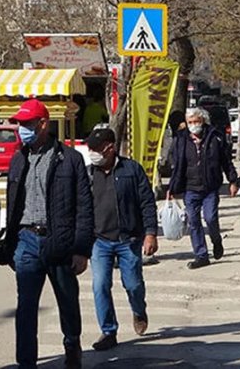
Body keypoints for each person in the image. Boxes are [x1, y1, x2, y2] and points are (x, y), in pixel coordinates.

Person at [2, 99, 93, 369]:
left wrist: (81, 248)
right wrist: (10, 245)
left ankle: (72, 344)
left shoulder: (70, 159)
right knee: (26, 307)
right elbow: (12, 201)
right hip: (26, 240)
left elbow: (84, 206)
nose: (22, 129)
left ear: (43, 124)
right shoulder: (19, 159)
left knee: (67, 301)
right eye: (19, 124)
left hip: (60, 241)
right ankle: (26, 362)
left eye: (27, 124)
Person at [84, 128, 159, 351]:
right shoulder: (88, 174)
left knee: (133, 284)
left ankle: (139, 310)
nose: (93, 154)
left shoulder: (131, 169)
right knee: (100, 285)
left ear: (110, 147)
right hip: (99, 241)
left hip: (129, 239)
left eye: (96, 149)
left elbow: (147, 202)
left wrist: (150, 233)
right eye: (91, 149)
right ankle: (108, 331)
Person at [168, 107, 238, 270]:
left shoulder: (215, 137)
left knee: (210, 218)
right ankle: (201, 255)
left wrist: (233, 181)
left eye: (196, 121)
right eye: (190, 122)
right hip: (190, 188)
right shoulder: (181, 139)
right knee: (193, 221)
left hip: (210, 187)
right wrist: (172, 187)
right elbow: (177, 164)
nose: (194, 125)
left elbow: (226, 162)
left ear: (203, 121)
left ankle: (216, 240)